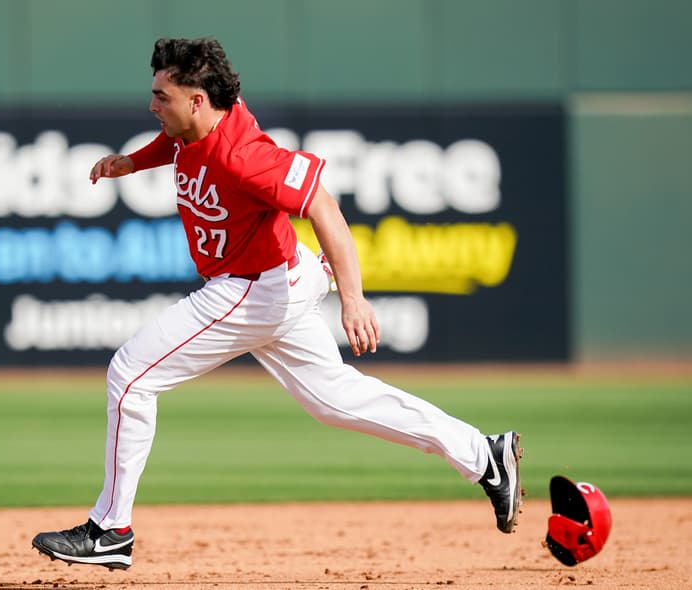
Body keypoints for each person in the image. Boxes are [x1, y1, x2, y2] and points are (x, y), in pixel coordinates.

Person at [32, 37, 521, 571]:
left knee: (130, 375)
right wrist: (131, 162)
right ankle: (484, 455)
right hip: (279, 281)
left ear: (198, 100)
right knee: (331, 400)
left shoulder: (246, 156)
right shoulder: (193, 125)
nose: (152, 105)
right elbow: (174, 144)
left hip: (253, 287)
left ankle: (110, 529)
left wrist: (354, 298)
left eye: (162, 96)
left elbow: (325, 209)